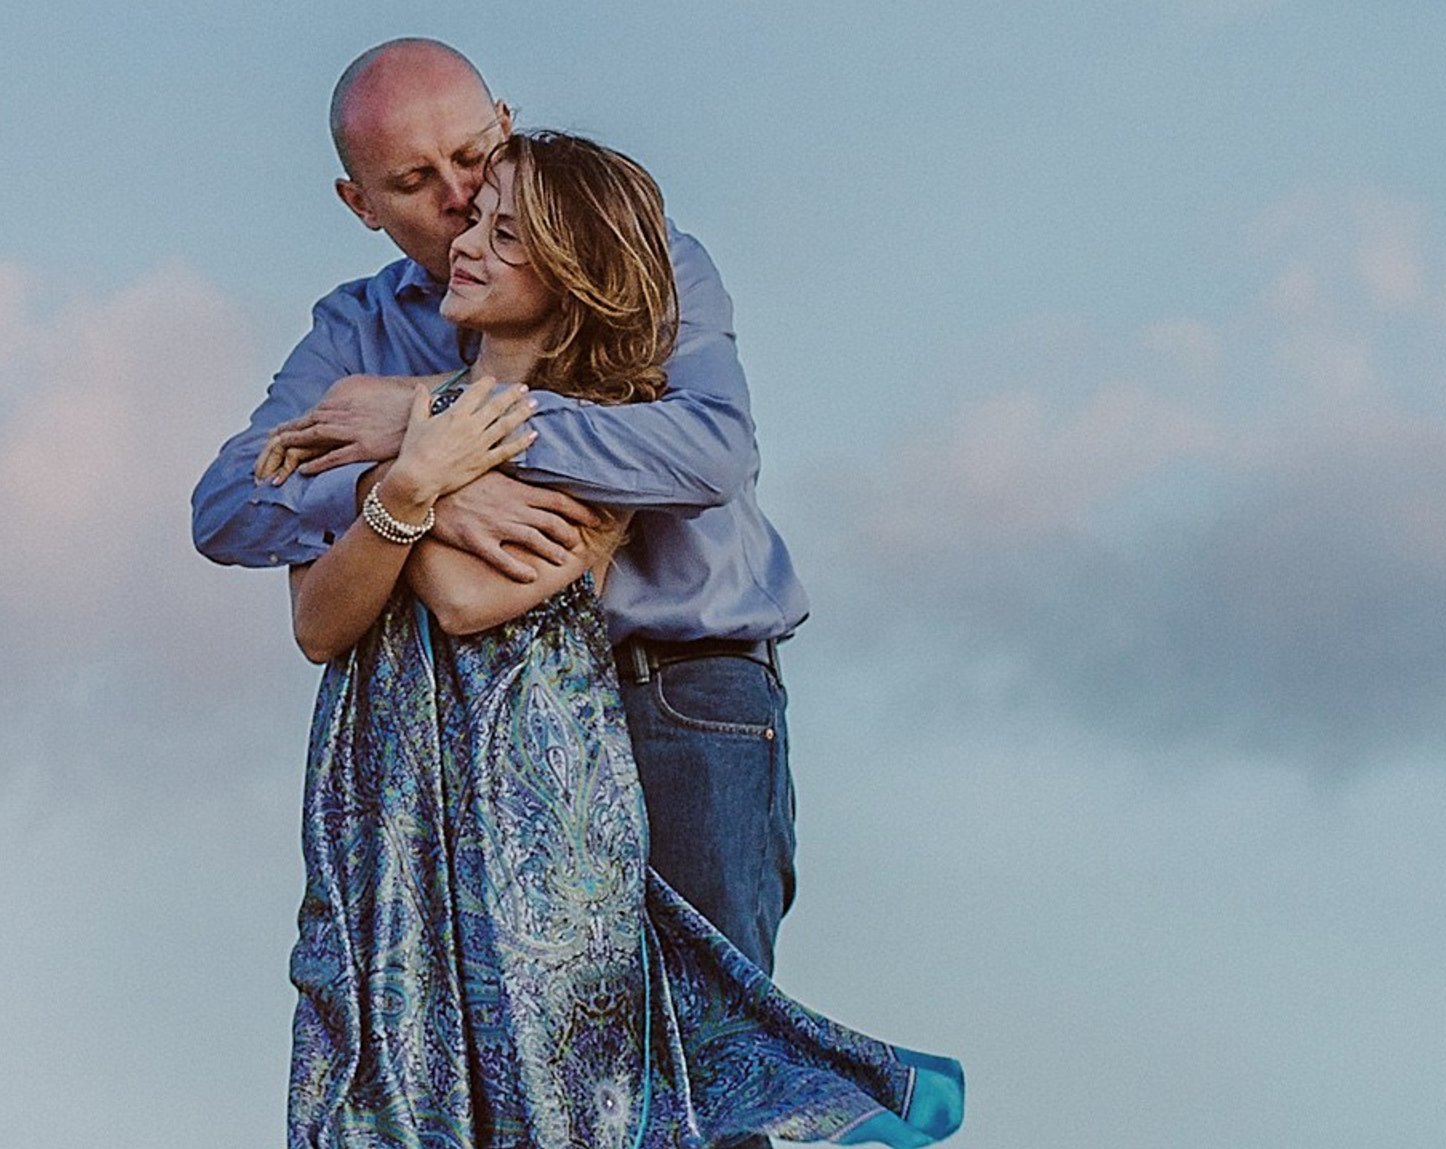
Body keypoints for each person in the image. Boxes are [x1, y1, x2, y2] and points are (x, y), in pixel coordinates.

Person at [276, 128, 962, 1147]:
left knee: (622, 1078)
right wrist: (400, 485)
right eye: (474, 218)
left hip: (539, 791)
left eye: (505, 236)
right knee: (374, 1076)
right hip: (391, 796)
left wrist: (409, 482)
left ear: (565, 279)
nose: (465, 235)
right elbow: (314, 614)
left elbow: (468, 599)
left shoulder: (604, 434)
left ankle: (826, 1112)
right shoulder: (399, 395)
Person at [192, 38, 805, 981]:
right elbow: (231, 502)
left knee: (699, 1060)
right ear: (361, 205)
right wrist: (410, 493)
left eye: (474, 158)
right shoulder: (357, 328)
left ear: (506, 128)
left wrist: (427, 414)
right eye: (413, 179)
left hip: (677, 694)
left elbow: (709, 450)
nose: (459, 197)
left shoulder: (646, 261)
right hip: (465, 732)